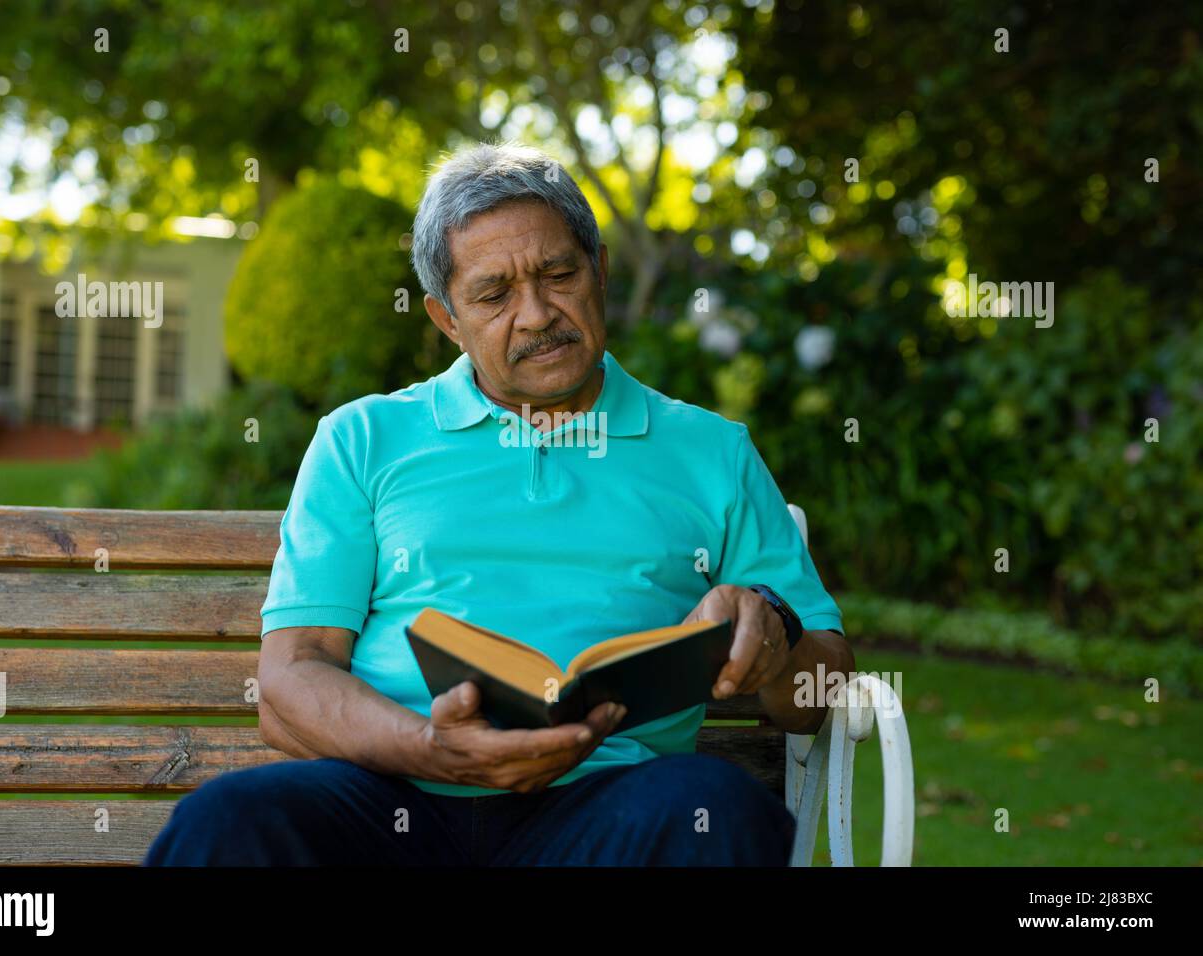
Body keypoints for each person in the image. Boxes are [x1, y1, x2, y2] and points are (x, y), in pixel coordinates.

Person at [145, 141, 854, 866]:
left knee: (718, 808)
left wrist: (776, 639)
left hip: (609, 803)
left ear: (600, 270)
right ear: (446, 318)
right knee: (228, 821)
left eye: (559, 274)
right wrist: (433, 749)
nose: (537, 314)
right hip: (395, 798)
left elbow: (822, 686)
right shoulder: (362, 439)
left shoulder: (712, 452)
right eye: (494, 295)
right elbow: (291, 678)